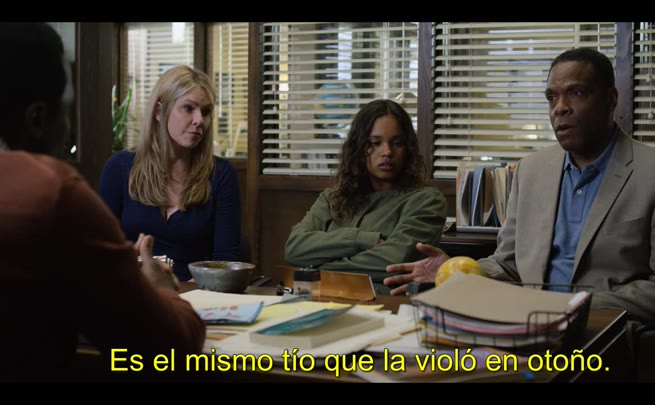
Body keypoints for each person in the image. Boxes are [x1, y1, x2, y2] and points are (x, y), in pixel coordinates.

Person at [385, 47, 655, 325]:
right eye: (552, 97)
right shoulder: (531, 171)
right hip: (524, 325)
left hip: (606, 331)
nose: (559, 108)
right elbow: (508, 263)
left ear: (610, 100)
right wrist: (456, 272)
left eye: (576, 93)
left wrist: (575, 306)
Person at [0, 23, 205, 379]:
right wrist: (161, 291)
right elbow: (168, 346)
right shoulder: (53, 194)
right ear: (38, 119)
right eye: (67, 111)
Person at [99, 65, 248, 282]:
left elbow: (225, 263)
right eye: (188, 108)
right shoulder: (119, 168)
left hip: (198, 292)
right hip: (132, 289)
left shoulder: (221, 175)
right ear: (159, 112)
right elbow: (101, 252)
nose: (199, 120)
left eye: (206, 112)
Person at [285, 99, 448, 295]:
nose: (387, 152)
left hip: (386, 305)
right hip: (318, 302)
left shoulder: (426, 201)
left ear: (408, 148)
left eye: (397, 143)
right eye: (375, 143)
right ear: (359, 147)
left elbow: (395, 261)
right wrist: (362, 240)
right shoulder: (332, 198)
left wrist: (315, 268)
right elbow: (295, 248)